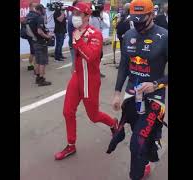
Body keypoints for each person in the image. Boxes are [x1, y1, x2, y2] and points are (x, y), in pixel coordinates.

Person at [111, 0, 168, 179]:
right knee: (141, 137)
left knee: (136, 143)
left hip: (154, 98)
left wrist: (156, 84)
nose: (138, 25)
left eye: (141, 20)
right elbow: (123, 67)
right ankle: (146, 158)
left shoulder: (165, 36)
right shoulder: (128, 34)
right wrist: (117, 93)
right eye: (134, 20)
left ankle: (135, 175)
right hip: (131, 96)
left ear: (152, 15)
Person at [54, 2, 118, 160]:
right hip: (78, 76)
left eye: (77, 14)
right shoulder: (76, 31)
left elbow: (90, 57)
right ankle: (71, 145)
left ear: (87, 16)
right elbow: (78, 55)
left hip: (91, 79)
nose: (73, 17)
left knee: (94, 116)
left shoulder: (95, 34)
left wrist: (78, 41)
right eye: (73, 13)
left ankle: (113, 124)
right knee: (67, 111)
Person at [28, 4, 54, 86]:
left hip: (34, 41)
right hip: (41, 42)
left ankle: (38, 78)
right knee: (42, 62)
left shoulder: (30, 17)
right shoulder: (39, 18)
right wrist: (48, 36)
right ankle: (41, 79)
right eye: (44, 9)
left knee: (37, 61)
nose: (45, 10)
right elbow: (39, 31)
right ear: (41, 9)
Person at [89, 0, 110, 78]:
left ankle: (96, 71)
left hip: (99, 40)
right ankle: (92, 72)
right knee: (94, 57)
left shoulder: (99, 18)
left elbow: (106, 26)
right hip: (93, 40)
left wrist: (101, 19)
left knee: (99, 56)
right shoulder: (91, 19)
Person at [25, 2, 39, 72]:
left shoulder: (27, 15)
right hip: (34, 37)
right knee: (36, 53)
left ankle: (30, 66)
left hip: (29, 36)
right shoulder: (35, 16)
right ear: (30, 7)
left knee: (32, 52)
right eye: (35, 6)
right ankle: (36, 70)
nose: (36, 8)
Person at [67, 0, 80, 73]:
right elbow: (77, 32)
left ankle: (76, 79)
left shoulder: (75, 17)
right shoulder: (73, 18)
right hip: (74, 43)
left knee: (76, 62)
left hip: (75, 42)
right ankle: (74, 80)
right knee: (75, 63)